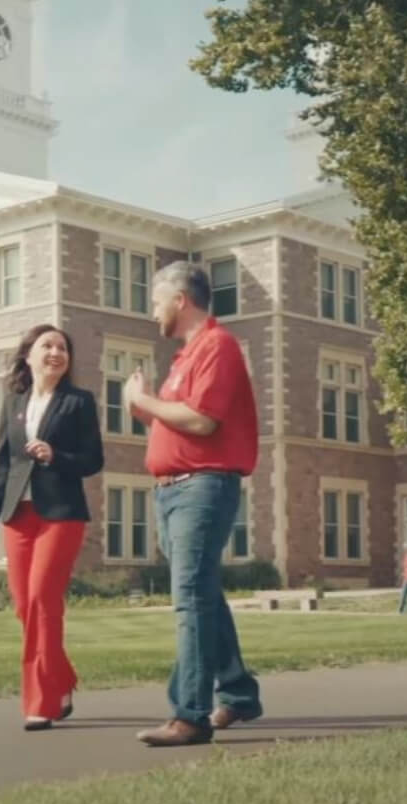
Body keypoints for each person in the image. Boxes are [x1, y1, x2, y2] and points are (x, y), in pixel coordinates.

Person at [124, 261, 262, 747]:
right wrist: (145, 407)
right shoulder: (185, 356)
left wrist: (145, 401)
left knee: (190, 599)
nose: (152, 311)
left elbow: (203, 421)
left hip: (201, 488)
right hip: (173, 490)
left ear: (180, 300)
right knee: (204, 596)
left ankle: (190, 716)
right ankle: (239, 695)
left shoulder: (218, 346)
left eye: (156, 301)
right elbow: (180, 422)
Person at [0, 324, 103, 731]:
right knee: (24, 607)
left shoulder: (79, 402)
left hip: (61, 515)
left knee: (44, 600)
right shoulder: (14, 403)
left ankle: (41, 703)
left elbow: (93, 460)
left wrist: (54, 455)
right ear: (28, 355)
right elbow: (2, 467)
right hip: (18, 517)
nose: (56, 353)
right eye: (47, 346)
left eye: (63, 347)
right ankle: (61, 680)